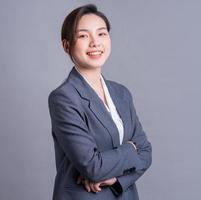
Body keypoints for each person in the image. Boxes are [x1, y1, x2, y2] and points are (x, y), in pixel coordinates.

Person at [48, 4, 152, 200]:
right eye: (83, 36)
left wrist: (116, 180)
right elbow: (93, 167)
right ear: (66, 45)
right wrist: (131, 149)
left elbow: (146, 153)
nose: (95, 42)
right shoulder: (64, 98)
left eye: (101, 34)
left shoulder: (121, 93)